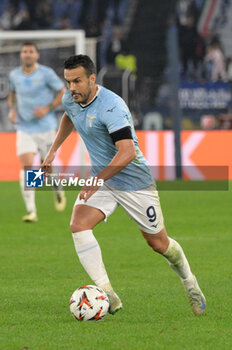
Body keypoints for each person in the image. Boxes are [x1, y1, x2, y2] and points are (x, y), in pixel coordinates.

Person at [42, 55, 206, 315]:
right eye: (68, 81)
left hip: (133, 181)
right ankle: (108, 294)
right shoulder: (70, 99)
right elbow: (69, 117)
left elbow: (127, 152)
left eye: (77, 81)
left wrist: (97, 179)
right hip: (103, 179)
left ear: (92, 79)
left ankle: (190, 282)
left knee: (159, 244)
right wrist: (53, 152)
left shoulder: (112, 106)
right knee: (78, 225)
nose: (72, 87)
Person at [8, 42, 66, 222]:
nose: (27, 54)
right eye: (24, 51)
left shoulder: (46, 73)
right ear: (21, 55)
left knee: (46, 168)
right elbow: (12, 94)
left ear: (36, 55)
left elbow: (62, 92)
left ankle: (56, 188)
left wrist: (47, 108)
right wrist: (12, 110)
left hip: (45, 127)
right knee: (27, 168)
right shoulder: (14, 75)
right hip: (24, 128)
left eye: (30, 51)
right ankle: (31, 211)